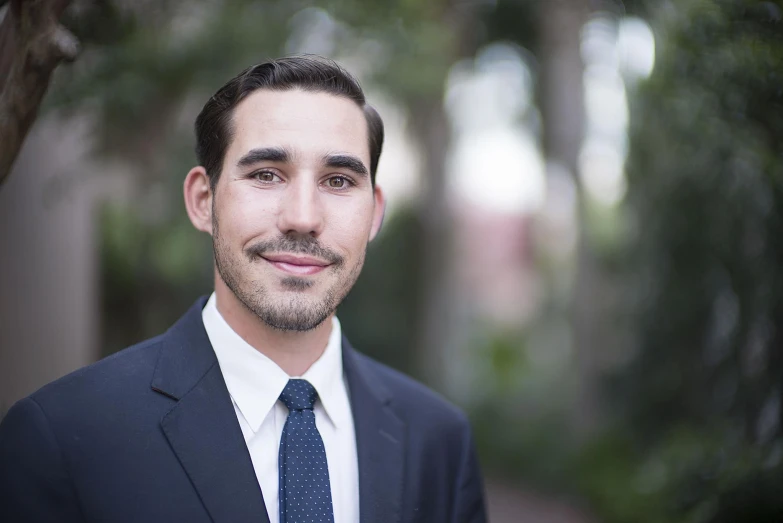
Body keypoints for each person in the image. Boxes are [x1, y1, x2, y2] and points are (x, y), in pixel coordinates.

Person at [0, 56, 487, 523]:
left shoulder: (439, 440)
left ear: (374, 213)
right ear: (202, 200)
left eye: (338, 181)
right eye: (266, 175)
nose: (302, 217)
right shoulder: (62, 436)